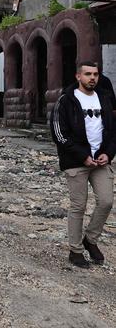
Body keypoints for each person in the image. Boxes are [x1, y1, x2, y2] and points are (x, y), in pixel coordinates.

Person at [50, 61, 116, 268]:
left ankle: (90, 239)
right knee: (78, 206)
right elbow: (59, 134)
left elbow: (113, 131)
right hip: (76, 162)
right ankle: (75, 250)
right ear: (78, 76)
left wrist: (108, 153)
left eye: (95, 74)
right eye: (88, 74)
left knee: (106, 202)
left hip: (101, 161)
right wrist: (82, 156)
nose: (92, 78)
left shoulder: (104, 98)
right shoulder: (66, 100)